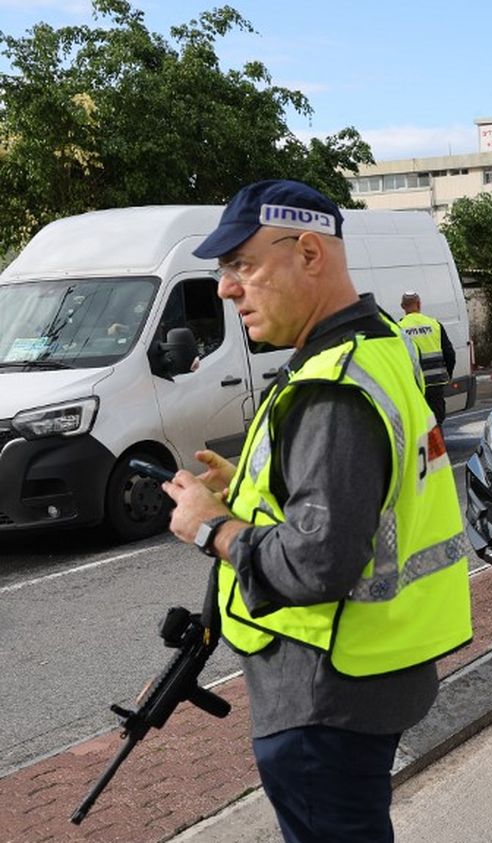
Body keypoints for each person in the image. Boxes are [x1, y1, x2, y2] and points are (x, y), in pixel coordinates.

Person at [160, 180, 472, 843]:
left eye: (242, 265)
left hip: (324, 693)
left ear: (308, 253)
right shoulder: (379, 344)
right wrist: (240, 489)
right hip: (366, 676)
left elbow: (317, 560)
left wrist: (210, 525)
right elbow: (341, 495)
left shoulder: (332, 387)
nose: (224, 288)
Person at [397, 291, 455, 425]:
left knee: (418, 424)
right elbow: (449, 353)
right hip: (435, 384)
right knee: (436, 422)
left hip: (414, 387)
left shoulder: (399, 328)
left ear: (402, 307)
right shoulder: (435, 324)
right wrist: (448, 375)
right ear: (419, 304)